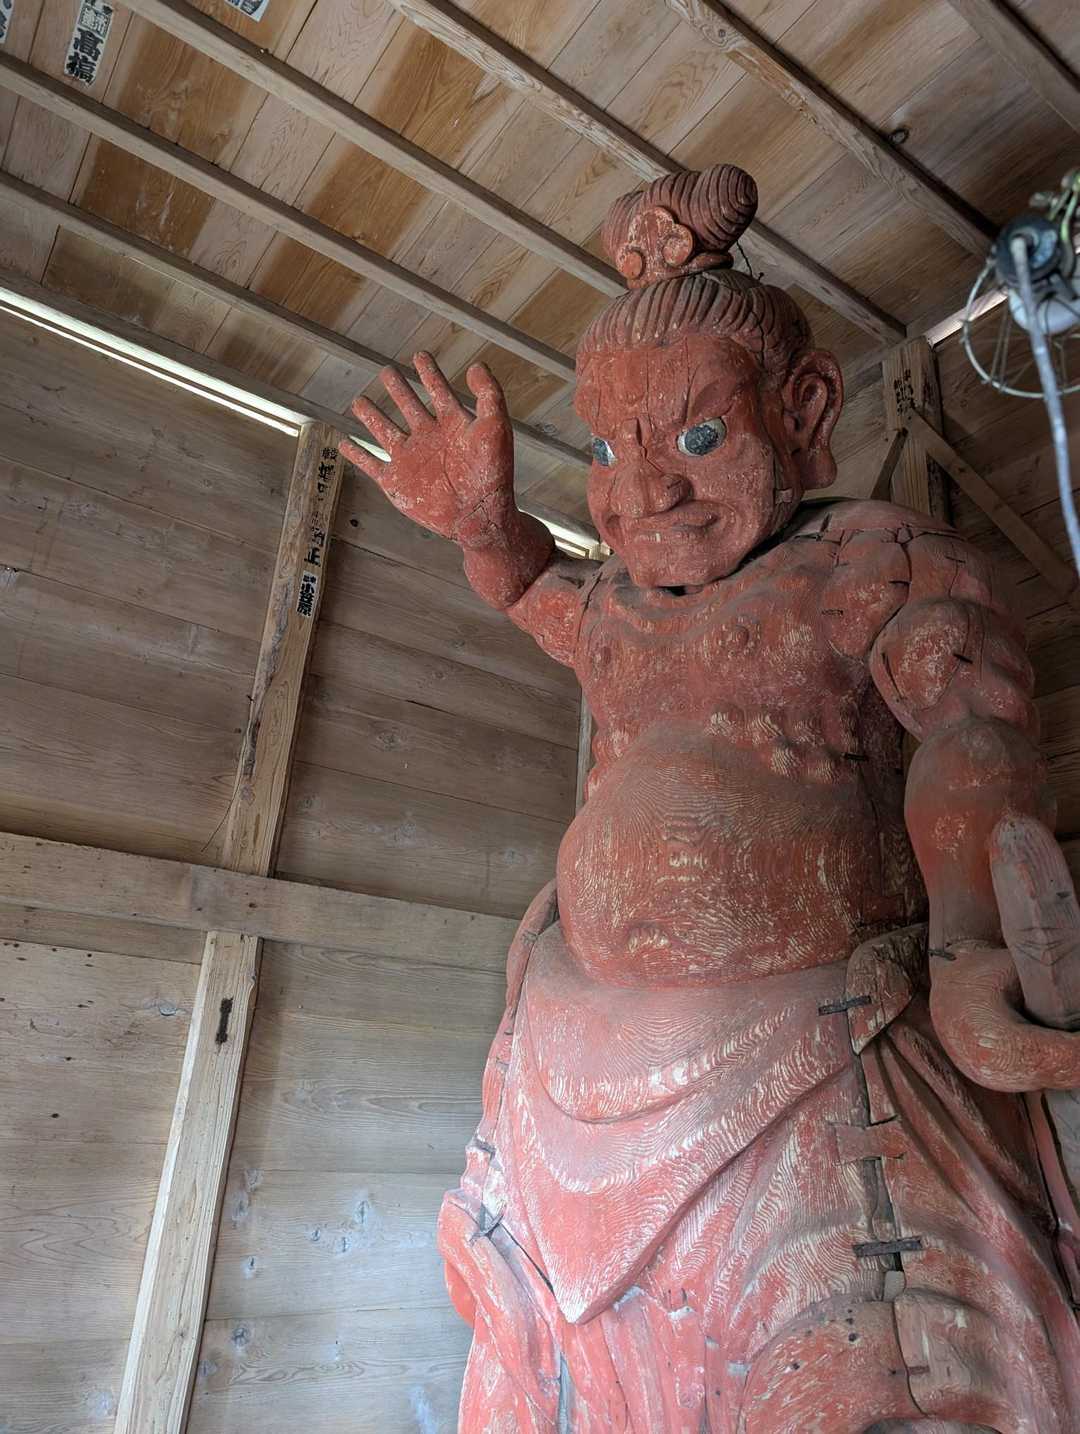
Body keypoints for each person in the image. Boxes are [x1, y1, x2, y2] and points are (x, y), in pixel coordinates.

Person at [342, 164, 1080, 1433]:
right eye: (610, 451)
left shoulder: (868, 560)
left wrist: (968, 942)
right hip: (576, 1049)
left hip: (821, 1042)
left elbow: (967, 728)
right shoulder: (617, 608)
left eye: (697, 439)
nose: (649, 493)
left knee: (861, 1369)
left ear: (804, 409)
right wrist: (483, 525)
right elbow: (534, 595)